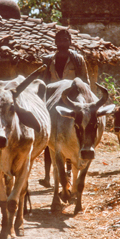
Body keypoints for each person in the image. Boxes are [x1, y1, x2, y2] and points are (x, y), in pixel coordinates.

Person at [39, 28, 90, 188]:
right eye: (59, 39)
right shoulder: (49, 60)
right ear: (55, 42)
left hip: (71, 102)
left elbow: (85, 81)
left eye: (65, 39)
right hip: (53, 100)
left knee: (70, 137)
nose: (62, 42)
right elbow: (45, 80)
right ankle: (48, 176)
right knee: (50, 139)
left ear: (70, 41)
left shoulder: (78, 59)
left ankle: (68, 173)